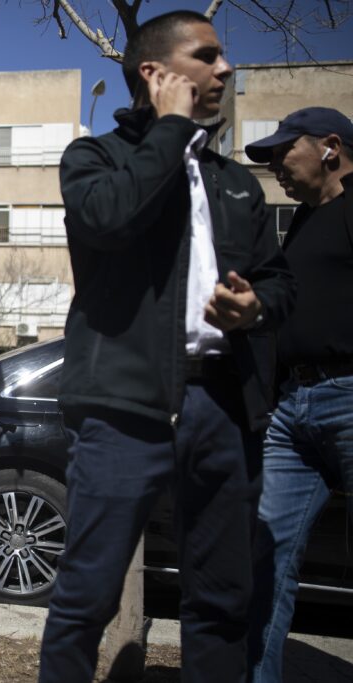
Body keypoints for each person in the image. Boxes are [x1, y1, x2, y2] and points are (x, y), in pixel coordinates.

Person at [37, 11, 296, 682]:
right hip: (124, 405)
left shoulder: (236, 182)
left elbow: (279, 280)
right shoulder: (94, 158)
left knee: (222, 601)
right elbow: (108, 219)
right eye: (206, 56)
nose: (226, 68)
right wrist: (172, 129)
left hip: (223, 405)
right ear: (155, 72)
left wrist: (257, 306)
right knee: (86, 597)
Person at [243, 107, 353, 683]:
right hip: (292, 408)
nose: (276, 167)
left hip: (348, 396)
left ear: (331, 146)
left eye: (285, 152)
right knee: (267, 556)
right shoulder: (307, 218)